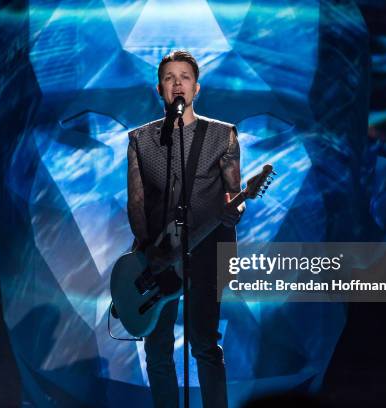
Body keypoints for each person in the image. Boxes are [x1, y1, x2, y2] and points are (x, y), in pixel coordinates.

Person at [126, 50, 243, 408]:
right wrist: (150, 251)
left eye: (185, 77)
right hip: (157, 256)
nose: (177, 83)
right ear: (159, 87)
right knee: (157, 349)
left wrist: (234, 211)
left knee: (205, 344)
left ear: (197, 87)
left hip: (206, 253)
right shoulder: (140, 140)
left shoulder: (222, 135)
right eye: (169, 77)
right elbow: (136, 201)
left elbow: (235, 195)